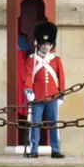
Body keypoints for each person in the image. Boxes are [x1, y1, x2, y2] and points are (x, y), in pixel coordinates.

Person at [21, 21, 65, 159]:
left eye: (48, 44)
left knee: (53, 124)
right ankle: (34, 149)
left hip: (52, 96)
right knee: (35, 124)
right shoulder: (32, 59)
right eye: (43, 44)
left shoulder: (56, 59)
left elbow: (61, 77)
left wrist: (61, 94)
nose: (46, 46)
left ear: (51, 44)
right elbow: (28, 76)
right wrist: (28, 90)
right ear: (38, 44)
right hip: (37, 97)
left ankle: (55, 149)